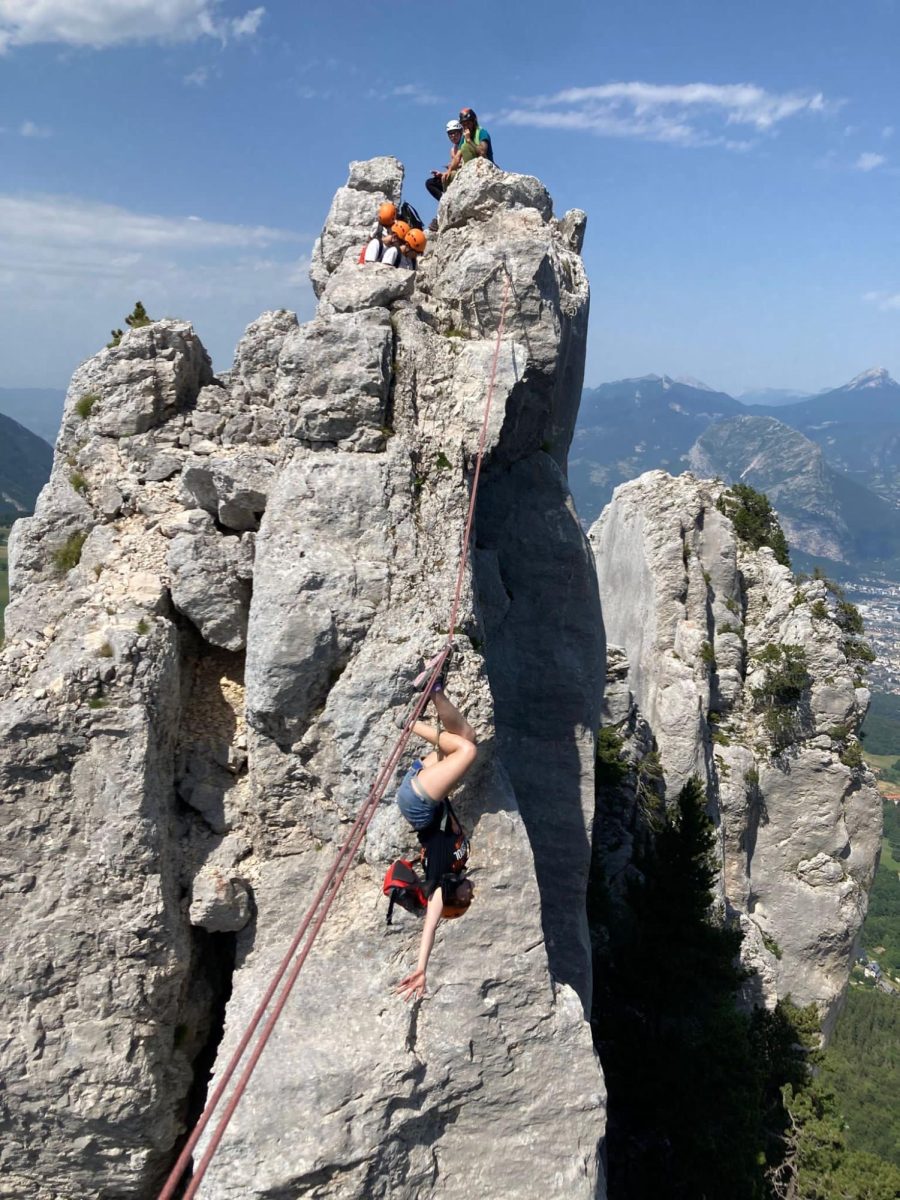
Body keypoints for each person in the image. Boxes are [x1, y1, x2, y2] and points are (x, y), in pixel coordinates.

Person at [394, 663, 477, 1001]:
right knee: (466, 738)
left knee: (467, 752)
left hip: (420, 803)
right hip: (426, 795)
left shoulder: (440, 884)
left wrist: (421, 967)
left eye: (467, 899)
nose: (472, 894)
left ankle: (411, 723)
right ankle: (436, 689)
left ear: (454, 898)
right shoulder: (456, 866)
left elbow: (431, 924)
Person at [425, 119, 464, 203]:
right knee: (430, 183)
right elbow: (453, 169)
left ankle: (447, 202)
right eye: (450, 134)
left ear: (461, 132)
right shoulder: (453, 150)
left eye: (455, 132)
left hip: (464, 177)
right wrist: (441, 174)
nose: (453, 136)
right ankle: (444, 203)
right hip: (455, 177)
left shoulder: (465, 144)